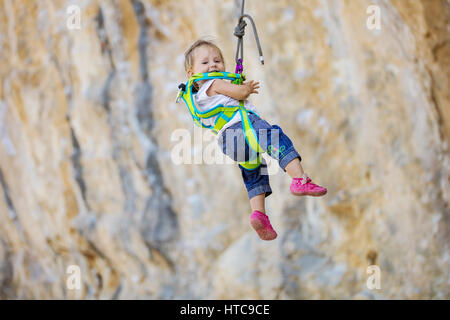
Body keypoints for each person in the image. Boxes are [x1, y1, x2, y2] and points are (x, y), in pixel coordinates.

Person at [183, 38, 327, 241]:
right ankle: (299, 179)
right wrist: (246, 88)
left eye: (217, 60)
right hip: (244, 127)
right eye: (205, 63)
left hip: (229, 141)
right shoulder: (214, 83)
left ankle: (259, 214)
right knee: (275, 138)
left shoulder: (200, 98)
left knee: (254, 171)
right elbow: (240, 93)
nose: (213, 65)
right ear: (192, 74)